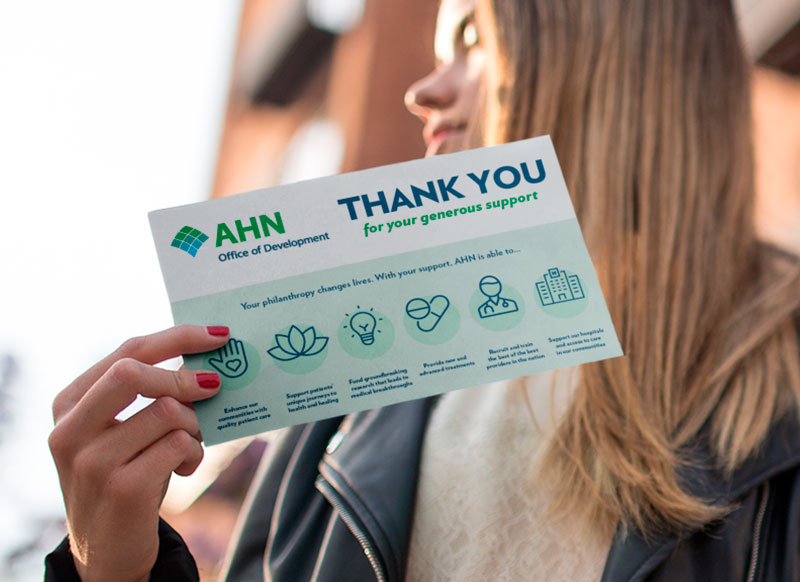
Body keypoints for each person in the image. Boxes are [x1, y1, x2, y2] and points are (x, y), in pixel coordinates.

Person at [46, 0, 800, 580]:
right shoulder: (345, 408)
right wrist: (112, 568)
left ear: (622, 51)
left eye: (473, 40)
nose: (422, 91)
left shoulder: (785, 371)